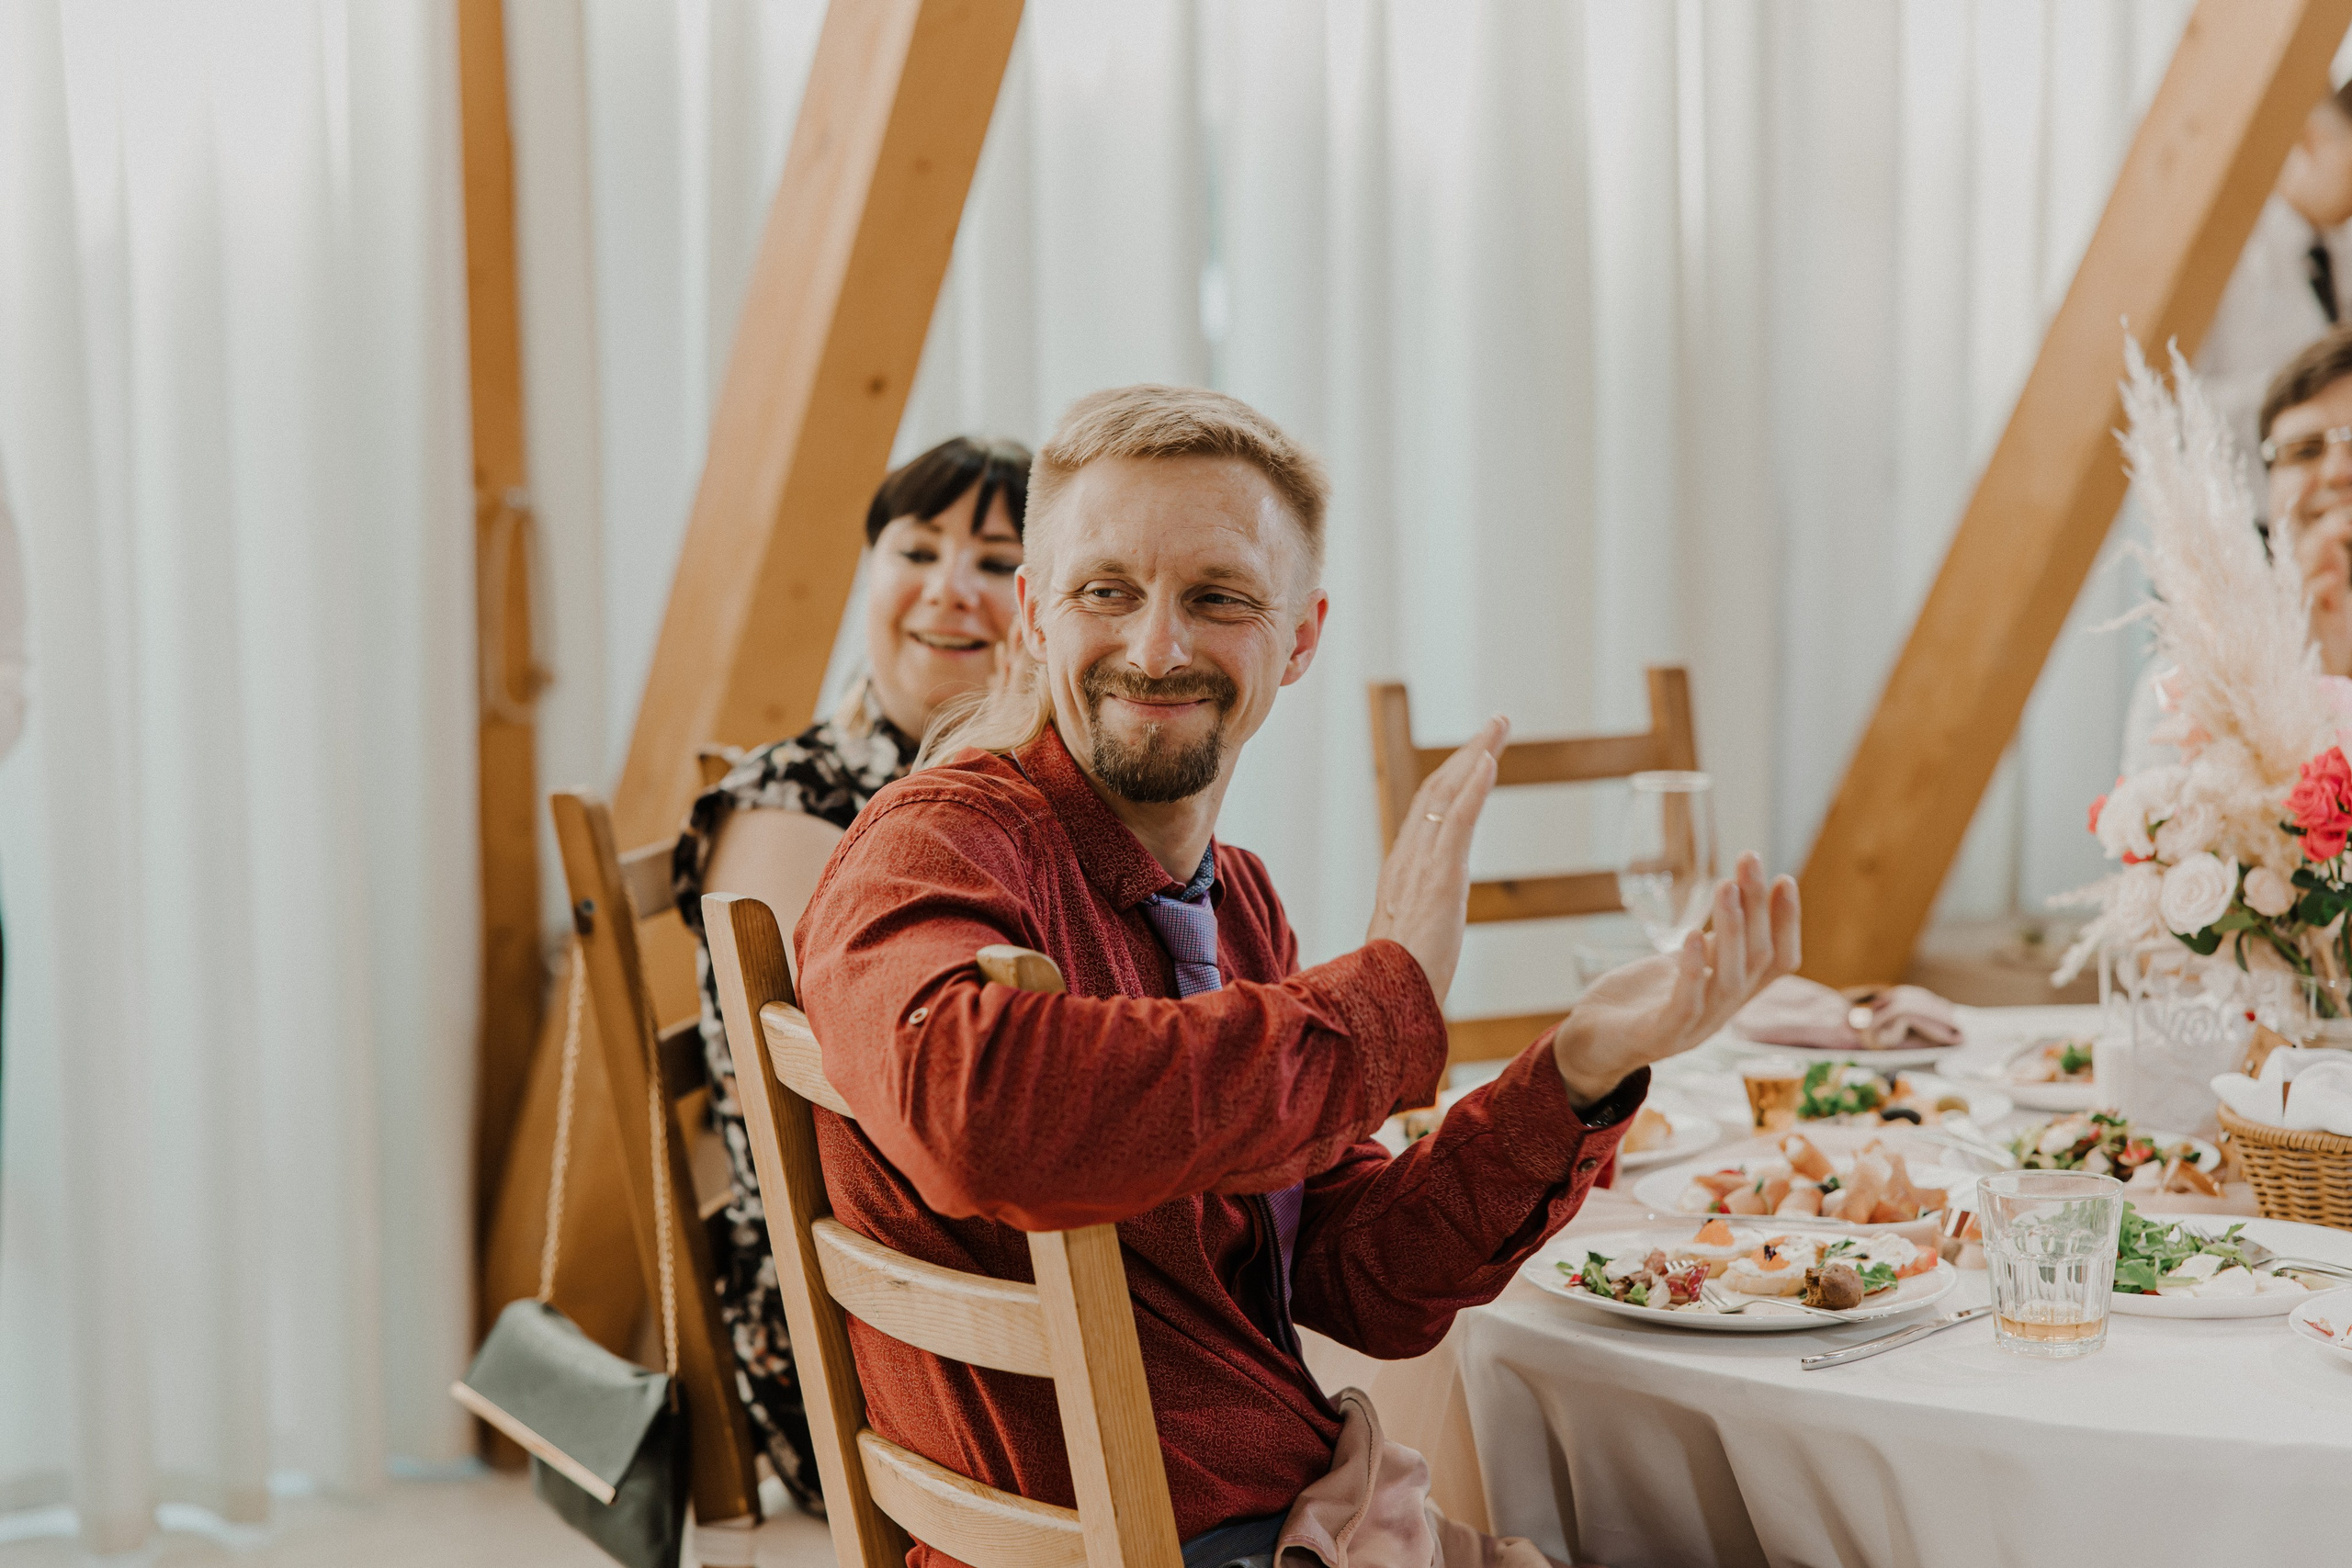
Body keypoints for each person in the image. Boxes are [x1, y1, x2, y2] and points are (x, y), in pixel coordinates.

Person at [794, 386, 1801, 1566]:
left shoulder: (1239, 899)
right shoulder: (940, 840)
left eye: (1216, 598)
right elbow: (978, 1114)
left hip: (1281, 1518)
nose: (1155, 647)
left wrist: (1579, 1068)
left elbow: (1360, 1281)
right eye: (1104, 591)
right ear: (1033, 614)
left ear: (1303, 636)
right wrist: (1384, 1001)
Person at [670, 434, 1030, 1512]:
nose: (950, 593)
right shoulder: (791, 797)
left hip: (979, 1241)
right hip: (841, 1300)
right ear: (871, 571)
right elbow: (810, 1115)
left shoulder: (1026, 791)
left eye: (997, 562)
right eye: (916, 551)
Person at [2122, 328, 2352, 773]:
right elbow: (2161, 825)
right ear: (2269, 487)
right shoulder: (2200, 661)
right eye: (2304, 450)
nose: (2336, 471)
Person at [2199, 79, 2352, 457]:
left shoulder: (2341, 250)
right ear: (2313, 139)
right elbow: (2182, 404)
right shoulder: (2223, 257)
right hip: (2249, 499)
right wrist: (2307, 392)